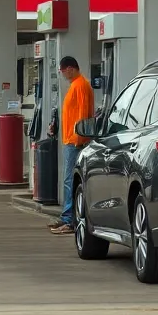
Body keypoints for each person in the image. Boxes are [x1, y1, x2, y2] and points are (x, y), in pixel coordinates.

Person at [49, 55, 95, 235]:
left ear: (70, 68)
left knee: (70, 181)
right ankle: (68, 216)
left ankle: (69, 220)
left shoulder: (81, 85)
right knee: (69, 180)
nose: (62, 74)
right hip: (70, 140)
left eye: (62, 71)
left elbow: (83, 114)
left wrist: (78, 138)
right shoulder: (75, 85)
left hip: (75, 142)